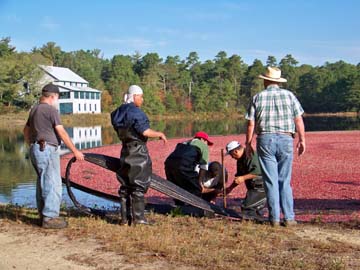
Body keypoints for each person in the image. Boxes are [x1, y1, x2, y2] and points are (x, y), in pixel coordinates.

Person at [245, 66, 306, 227]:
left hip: (265, 139)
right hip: (286, 138)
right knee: (284, 180)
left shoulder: (258, 97)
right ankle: (289, 218)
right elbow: (298, 119)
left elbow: (251, 123)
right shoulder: (289, 96)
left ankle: (274, 219)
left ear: (266, 80)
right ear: (278, 81)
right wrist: (302, 139)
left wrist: (248, 143)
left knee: (270, 181)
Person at [23, 83, 84, 229]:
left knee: (42, 181)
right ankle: (50, 217)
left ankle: (43, 215)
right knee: (53, 183)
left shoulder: (34, 110)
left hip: (36, 148)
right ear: (52, 96)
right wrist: (75, 151)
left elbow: (25, 130)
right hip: (47, 149)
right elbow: (61, 132)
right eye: (57, 97)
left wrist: (31, 144)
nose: (57, 100)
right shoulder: (51, 110)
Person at [111, 85, 167, 225]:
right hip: (138, 152)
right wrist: (159, 134)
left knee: (125, 185)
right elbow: (145, 132)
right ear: (135, 96)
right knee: (138, 185)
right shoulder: (136, 112)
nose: (142, 99)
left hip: (125, 151)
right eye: (141, 97)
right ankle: (139, 219)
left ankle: (125, 219)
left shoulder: (116, 113)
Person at [164, 131, 225, 202]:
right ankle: (194, 208)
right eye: (206, 142)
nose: (207, 144)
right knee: (196, 188)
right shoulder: (203, 146)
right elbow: (203, 166)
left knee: (177, 186)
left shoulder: (184, 143)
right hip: (184, 165)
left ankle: (179, 206)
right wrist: (200, 182)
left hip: (168, 164)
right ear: (202, 139)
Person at [225, 141, 267, 218]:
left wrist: (243, 178)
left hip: (261, 186)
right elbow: (239, 178)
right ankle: (258, 219)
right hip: (253, 188)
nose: (232, 157)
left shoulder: (250, 155)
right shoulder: (240, 160)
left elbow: (258, 172)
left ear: (236, 151)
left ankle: (253, 222)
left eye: (231, 155)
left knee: (247, 207)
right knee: (255, 208)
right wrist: (230, 188)